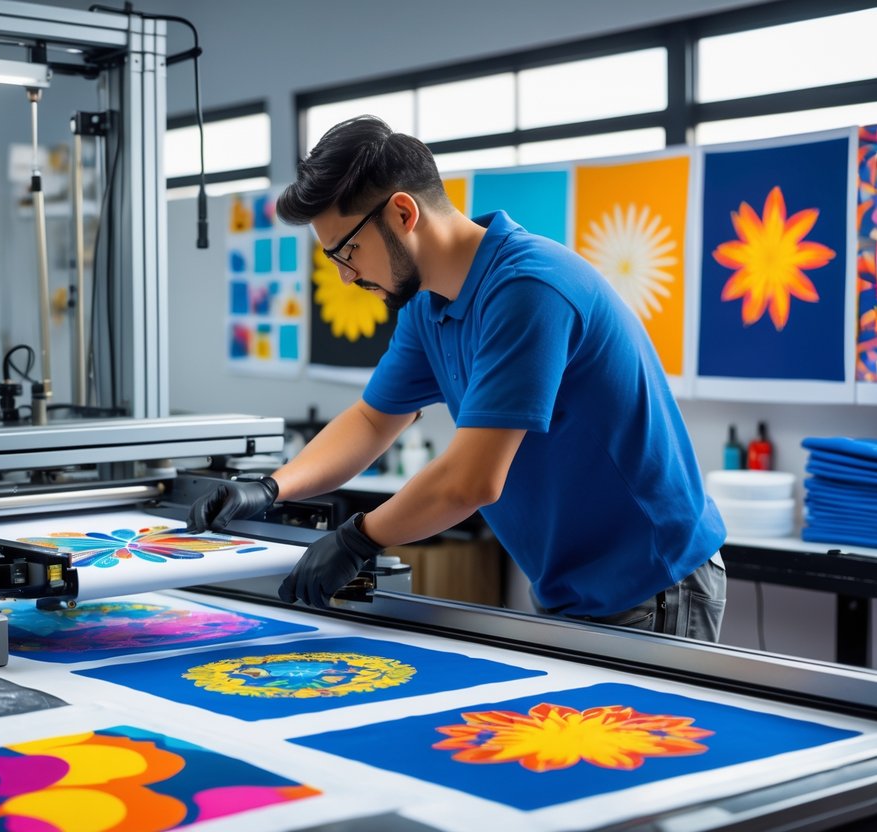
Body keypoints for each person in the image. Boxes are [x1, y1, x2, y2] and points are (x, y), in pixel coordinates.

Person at [187, 115, 727, 642]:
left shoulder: (529, 289)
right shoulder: (429, 305)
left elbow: (473, 480)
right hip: (574, 583)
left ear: (402, 213)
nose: (344, 276)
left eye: (346, 251)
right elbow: (374, 418)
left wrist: (357, 538)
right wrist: (270, 487)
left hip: (653, 582)